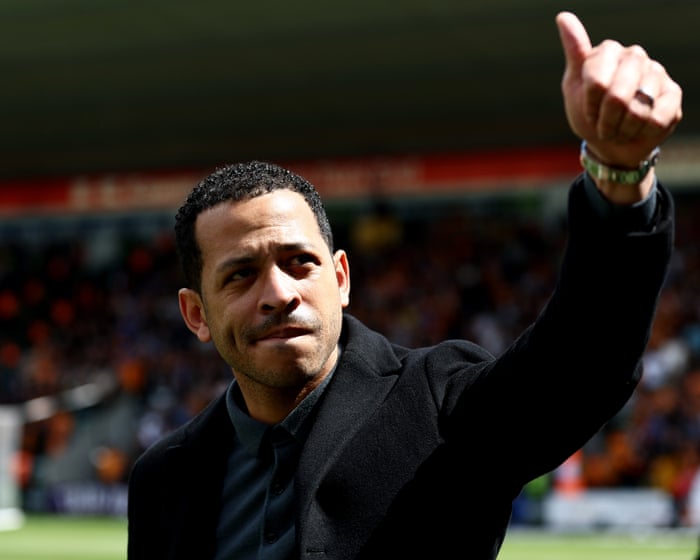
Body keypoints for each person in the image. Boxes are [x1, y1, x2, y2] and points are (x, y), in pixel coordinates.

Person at [127, 11, 683, 560]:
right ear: (195, 314)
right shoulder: (163, 479)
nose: (279, 292)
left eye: (300, 262)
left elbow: (583, 366)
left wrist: (619, 175)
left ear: (341, 278)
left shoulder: (439, 407)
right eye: (241, 274)